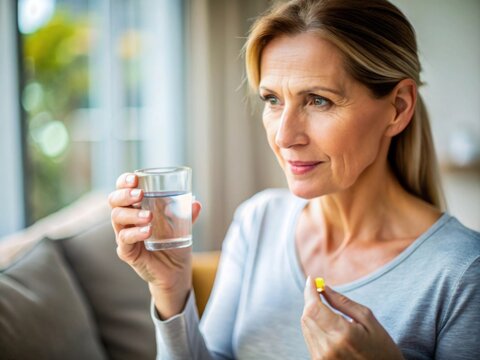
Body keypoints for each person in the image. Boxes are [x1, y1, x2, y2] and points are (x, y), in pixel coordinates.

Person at [108, 0, 480, 358]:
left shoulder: (462, 273)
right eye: (272, 99)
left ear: (398, 108)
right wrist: (170, 291)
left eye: (318, 100)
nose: (285, 136)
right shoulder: (259, 221)